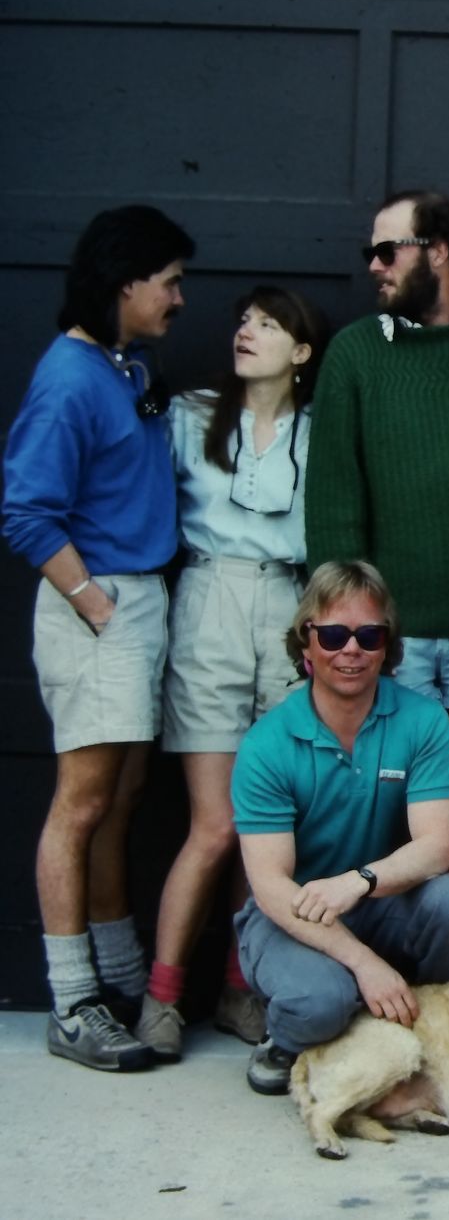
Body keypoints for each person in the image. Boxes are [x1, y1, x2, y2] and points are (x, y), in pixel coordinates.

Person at [3, 204, 193, 1072]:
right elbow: (28, 511)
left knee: (118, 802)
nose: (180, 299)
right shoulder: (71, 379)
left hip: (138, 602)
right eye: (170, 283)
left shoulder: (124, 368)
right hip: (102, 607)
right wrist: (96, 606)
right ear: (127, 284)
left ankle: (116, 980)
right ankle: (73, 1000)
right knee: (80, 804)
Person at [137, 286, 330, 1062]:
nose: (248, 333)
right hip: (209, 594)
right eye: (244, 321)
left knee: (268, 827)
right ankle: (161, 997)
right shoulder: (189, 417)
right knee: (214, 826)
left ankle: (241, 988)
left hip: (287, 602)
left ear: (303, 352)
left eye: (270, 324)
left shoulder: (319, 432)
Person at [231, 561, 449, 1096]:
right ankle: (288, 1035)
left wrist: (358, 882)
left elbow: (437, 848)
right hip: (294, 916)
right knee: (320, 1003)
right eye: (333, 634)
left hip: (382, 899)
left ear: (387, 645)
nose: (351, 649)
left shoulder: (421, 721)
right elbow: (271, 886)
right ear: (306, 642)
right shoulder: (267, 743)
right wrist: (363, 963)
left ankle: (433, 1036)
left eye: (368, 635)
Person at [305, 189, 449, 714]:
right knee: (393, 789)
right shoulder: (356, 352)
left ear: (438, 251)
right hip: (389, 634)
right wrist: (349, 624)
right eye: (371, 254)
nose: (375, 266)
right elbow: (332, 501)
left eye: (388, 252)